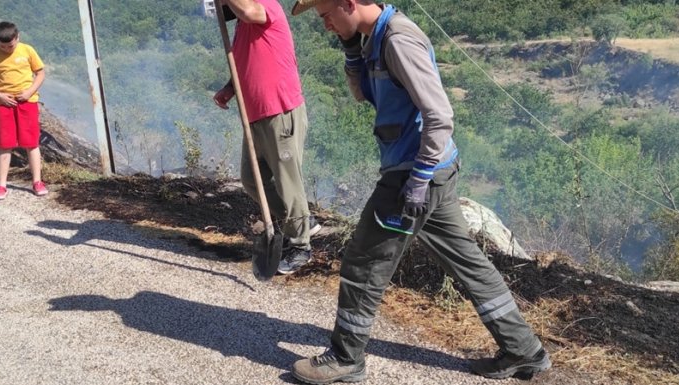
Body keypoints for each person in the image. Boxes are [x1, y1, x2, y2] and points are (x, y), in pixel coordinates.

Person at [288, 0, 551, 383]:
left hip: (414, 173)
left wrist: (417, 181)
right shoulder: (373, 40)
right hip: (431, 171)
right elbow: (364, 95)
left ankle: (346, 358)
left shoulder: (397, 39)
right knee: (468, 262)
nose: (325, 24)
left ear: (348, 3)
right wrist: (349, 49)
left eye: (326, 14)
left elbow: (440, 115)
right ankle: (524, 351)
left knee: (364, 261)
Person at [213, 0, 320, 274]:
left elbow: (248, 11)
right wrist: (229, 89)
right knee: (251, 179)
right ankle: (300, 221)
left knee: (287, 181)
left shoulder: (266, 6)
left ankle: (299, 245)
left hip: (279, 111)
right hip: (255, 116)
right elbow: (246, 63)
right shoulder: (241, 27)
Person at [0, 21, 47, 200]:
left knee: (31, 143)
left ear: (17, 37)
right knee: (5, 144)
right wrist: (0, 95)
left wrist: (28, 92)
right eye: (2, 46)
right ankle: (1, 185)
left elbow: (40, 73)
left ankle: (37, 182)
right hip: (3, 104)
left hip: (27, 102)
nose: (6, 49)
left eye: (10, 45)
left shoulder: (27, 50)